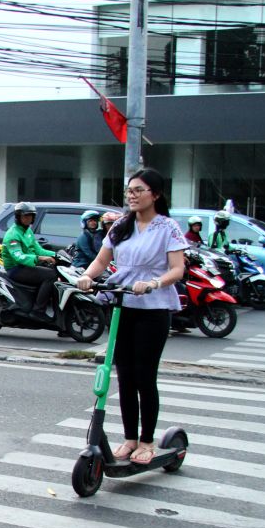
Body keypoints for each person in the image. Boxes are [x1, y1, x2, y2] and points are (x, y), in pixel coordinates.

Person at [76, 168, 187, 465]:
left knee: (144, 377)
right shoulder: (121, 226)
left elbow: (178, 269)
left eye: (139, 190)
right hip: (123, 303)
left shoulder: (168, 228)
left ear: (156, 194)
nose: (132, 195)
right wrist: (86, 276)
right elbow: (102, 260)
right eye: (130, 190)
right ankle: (129, 439)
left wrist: (154, 283)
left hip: (153, 307)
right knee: (124, 376)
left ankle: (148, 441)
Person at [1, 201, 58, 318]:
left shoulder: (27, 231)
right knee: (50, 275)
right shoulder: (12, 234)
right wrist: (40, 258)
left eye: (30, 216)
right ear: (18, 217)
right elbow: (19, 256)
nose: (28, 219)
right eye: (25, 216)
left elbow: (39, 250)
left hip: (27, 266)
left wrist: (57, 255)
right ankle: (38, 311)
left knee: (54, 272)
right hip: (15, 269)